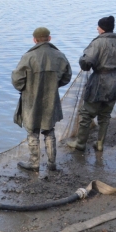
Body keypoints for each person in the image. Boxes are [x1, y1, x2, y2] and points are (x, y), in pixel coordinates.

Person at [67, 16, 116, 152]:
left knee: (86, 114)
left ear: (102, 29)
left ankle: (80, 143)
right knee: (105, 115)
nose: (97, 28)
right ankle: (100, 143)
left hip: (99, 81)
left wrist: (82, 60)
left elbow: (86, 63)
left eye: (98, 26)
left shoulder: (97, 42)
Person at [11, 27, 73, 172]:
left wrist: (25, 89)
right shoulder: (60, 55)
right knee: (49, 130)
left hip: (31, 100)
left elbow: (17, 80)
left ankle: (34, 163)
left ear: (34, 40)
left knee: (32, 131)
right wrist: (54, 86)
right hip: (51, 99)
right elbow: (67, 77)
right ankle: (52, 163)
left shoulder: (28, 57)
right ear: (49, 38)